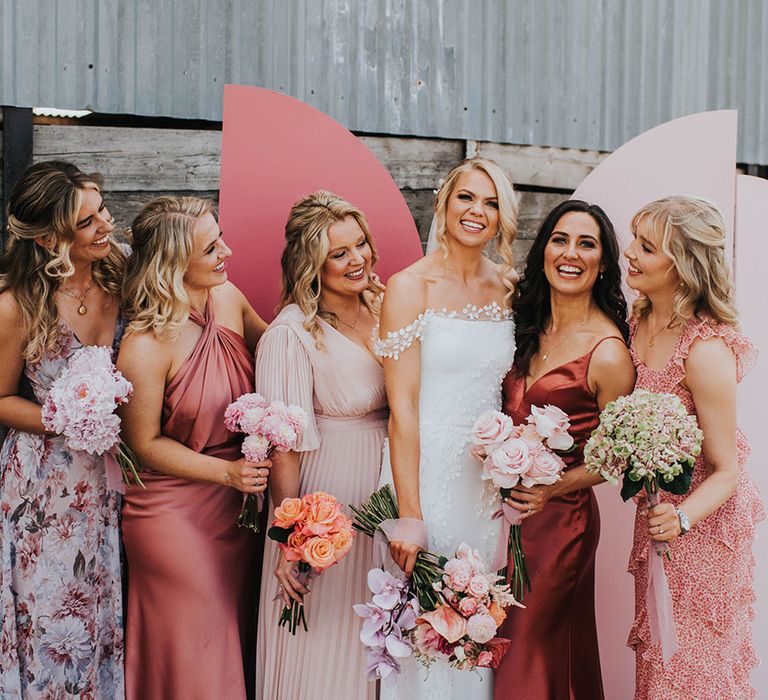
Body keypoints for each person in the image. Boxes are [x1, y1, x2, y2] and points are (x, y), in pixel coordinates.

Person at [116, 196, 269, 700]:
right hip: (172, 513)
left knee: (230, 637)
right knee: (199, 645)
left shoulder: (227, 297)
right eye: (211, 246)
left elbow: (278, 346)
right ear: (175, 262)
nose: (227, 249)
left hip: (237, 508)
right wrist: (225, 475)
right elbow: (142, 444)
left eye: (220, 235)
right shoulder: (145, 343)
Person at [376, 158, 518, 699]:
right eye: (467, 198)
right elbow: (403, 408)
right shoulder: (410, 287)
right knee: (423, 629)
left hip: (484, 483)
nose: (476, 211)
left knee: (474, 627)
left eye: (490, 202)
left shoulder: (508, 287)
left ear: (502, 217)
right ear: (443, 203)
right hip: (425, 472)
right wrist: (410, 514)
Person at [493, 200, 636, 699]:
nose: (570, 254)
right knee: (490, 641)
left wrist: (555, 486)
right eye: (560, 239)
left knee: (529, 650)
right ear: (544, 249)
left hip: (560, 525)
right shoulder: (522, 322)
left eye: (586, 243)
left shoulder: (609, 351)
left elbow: (616, 453)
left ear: (603, 263)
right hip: (499, 514)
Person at [624, 196, 764, 699]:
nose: (630, 254)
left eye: (646, 247)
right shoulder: (637, 321)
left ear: (682, 266)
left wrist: (681, 520)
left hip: (703, 526)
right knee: (660, 662)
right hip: (658, 514)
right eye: (634, 240)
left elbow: (727, 470)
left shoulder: (704, 350)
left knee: (690, 668)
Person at [0, 161, 126, 697]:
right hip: (44, 489)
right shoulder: (16, 306)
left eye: (102, 211)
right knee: (52, 619)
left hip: (109, 482)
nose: (106, 226)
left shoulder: (120, 277)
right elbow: (1, 399)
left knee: (100, 612)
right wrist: (62, 418)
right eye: (88, 222)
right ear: (52, 237)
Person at [254, 191, 387, 700]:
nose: (358, 260)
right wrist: (291, 537)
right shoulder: (289, 335)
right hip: (325, 499)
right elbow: (283, 447)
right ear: (311, 265)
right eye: (339, 253)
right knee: (325, 639)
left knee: (373, 642)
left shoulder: (383, 308)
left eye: (361, 245)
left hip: (383, 493)